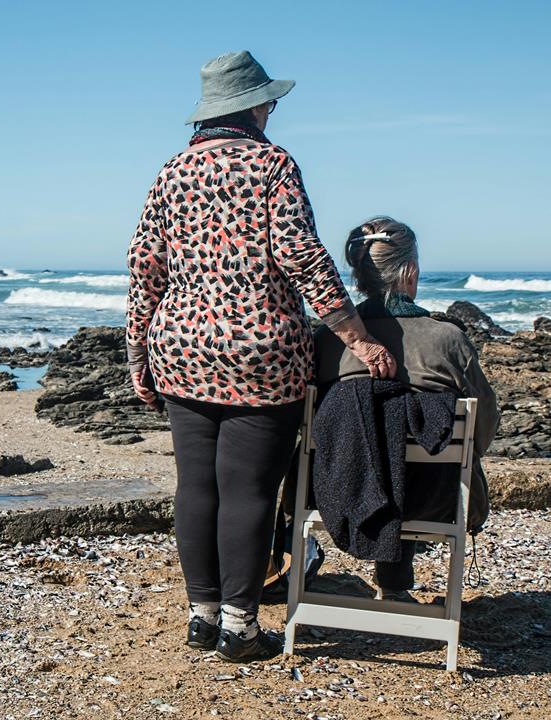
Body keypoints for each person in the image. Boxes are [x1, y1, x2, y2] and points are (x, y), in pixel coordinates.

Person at [125, 50, 396, 661]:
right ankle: (239, 629)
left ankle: (202, 615)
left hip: (182, 345)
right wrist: (356, 335)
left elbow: (145, 268)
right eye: (269, 101)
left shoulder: (171, 171)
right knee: (248, 490)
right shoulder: (272, 164)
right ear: (253, 105)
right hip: (261, 352)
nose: (272, 109)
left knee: (195, 486)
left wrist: (138, 353)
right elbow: (301, 255)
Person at [314, 216, 499, 601]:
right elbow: (484, 426)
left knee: (375, 445)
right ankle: (395, 586)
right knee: (416, 457)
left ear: (359, 275)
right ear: (409, 270)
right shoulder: (447, 339)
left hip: (335, 493)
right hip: (433, 498)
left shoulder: (328, 341)